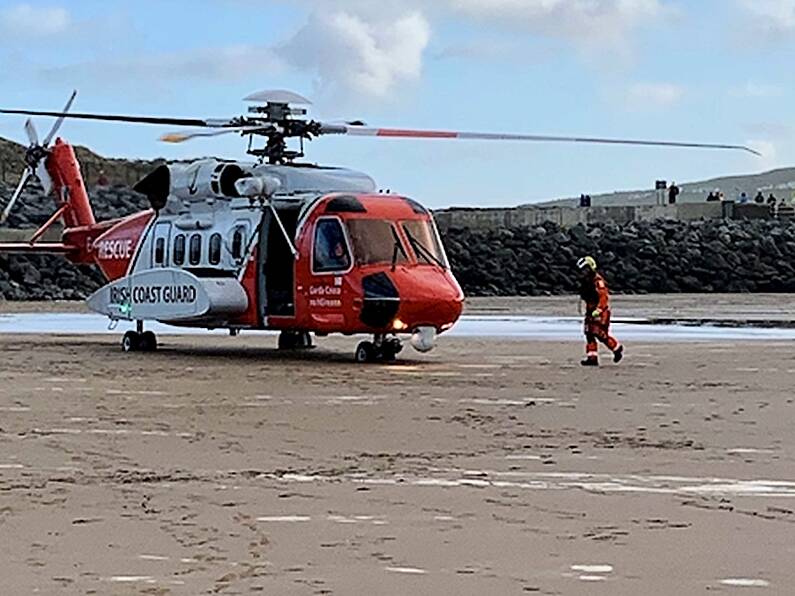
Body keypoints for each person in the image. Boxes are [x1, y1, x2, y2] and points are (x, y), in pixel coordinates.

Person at [577, 256, 623, 367]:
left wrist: (599, 309)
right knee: (589, 334)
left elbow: (603, 297)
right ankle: (592, 358)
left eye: (586, 269)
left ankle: (616, 348)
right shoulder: (586, 282)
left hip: (600, 312)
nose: (583, 272)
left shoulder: (598, 281)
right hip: (590, 310)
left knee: (600, 334)